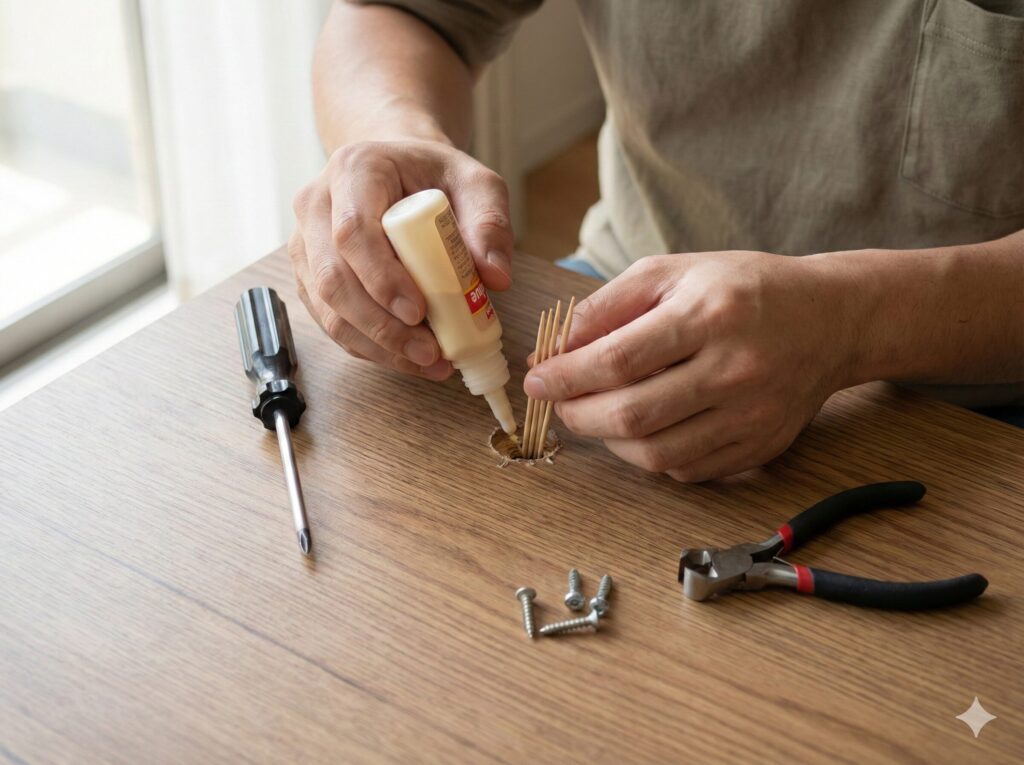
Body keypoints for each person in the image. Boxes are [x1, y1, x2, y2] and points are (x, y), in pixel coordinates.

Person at [289, 0, 1024, 482]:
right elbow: (405, 14)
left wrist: (850, 321)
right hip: (613, 302)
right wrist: (389, 135)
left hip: (977, 389)